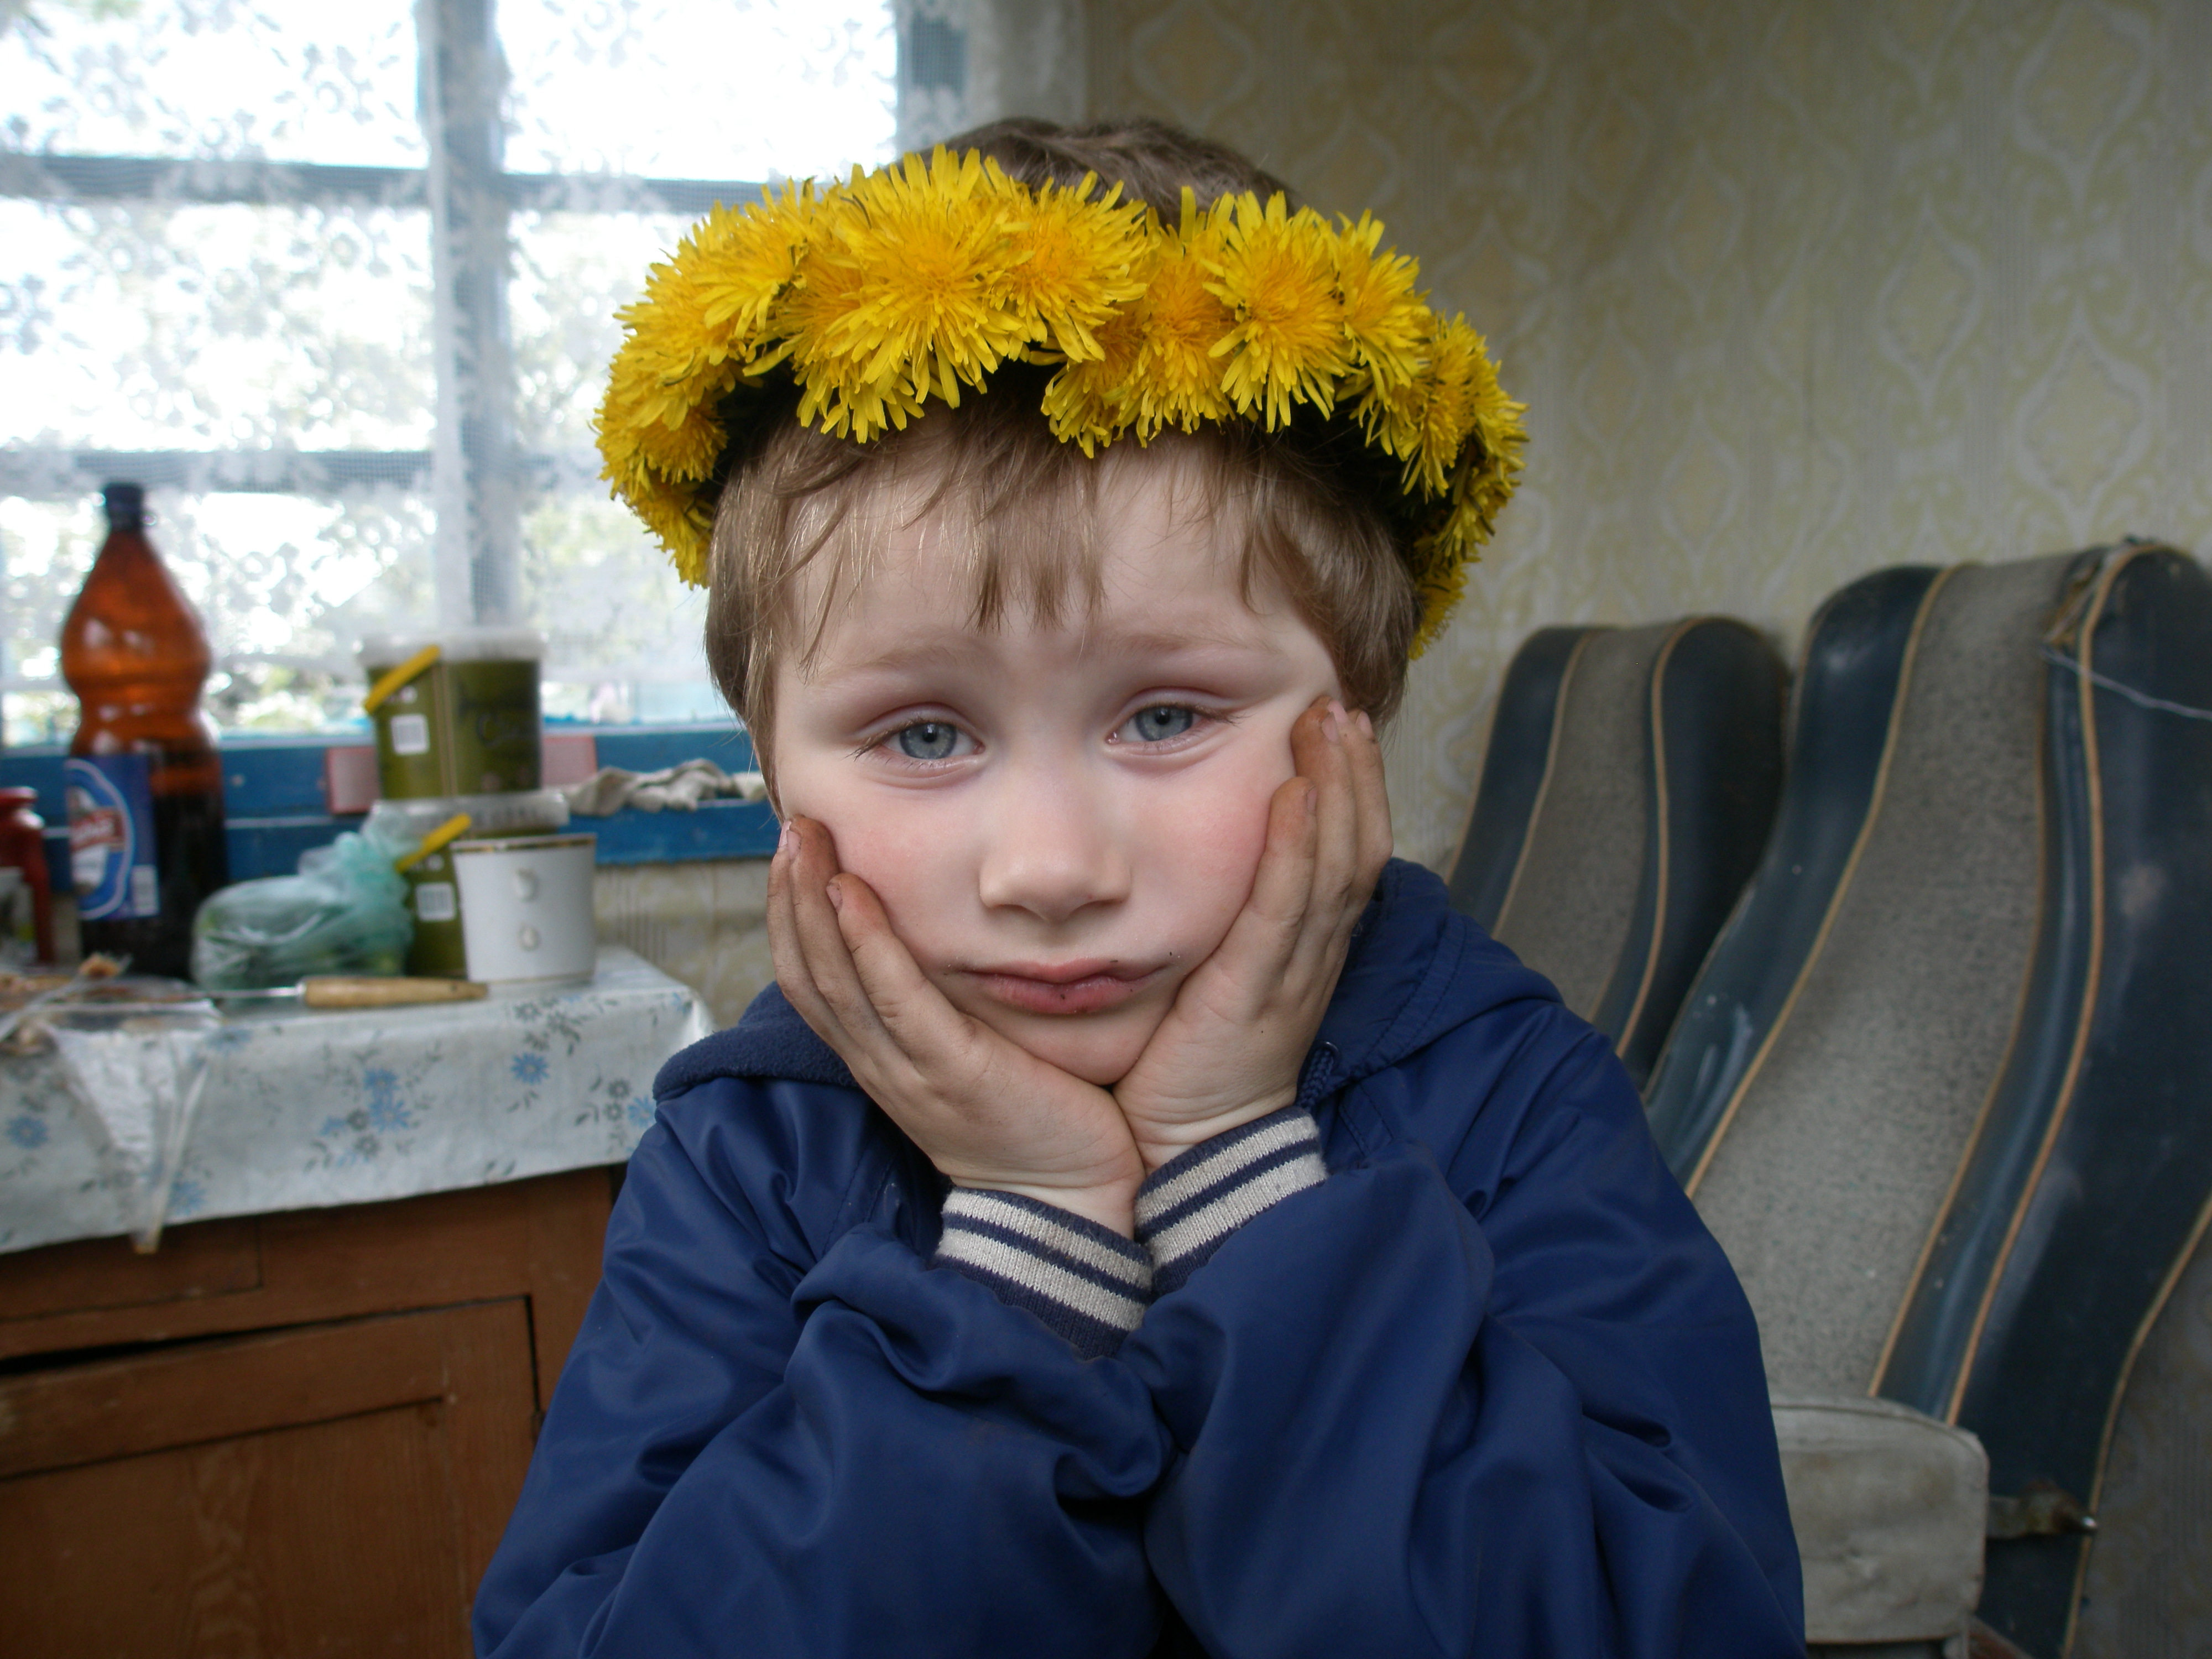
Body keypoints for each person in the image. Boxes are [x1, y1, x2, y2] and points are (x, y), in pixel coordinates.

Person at [473, 117, 1804, 1657]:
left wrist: (1236, 1172)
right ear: (772, 770)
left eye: (1165, 718)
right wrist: (1028, 1249)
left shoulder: (1510, 1094)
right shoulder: (750, 1158)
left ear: (1356, 718)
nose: (1051, 870)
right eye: (924, 735)